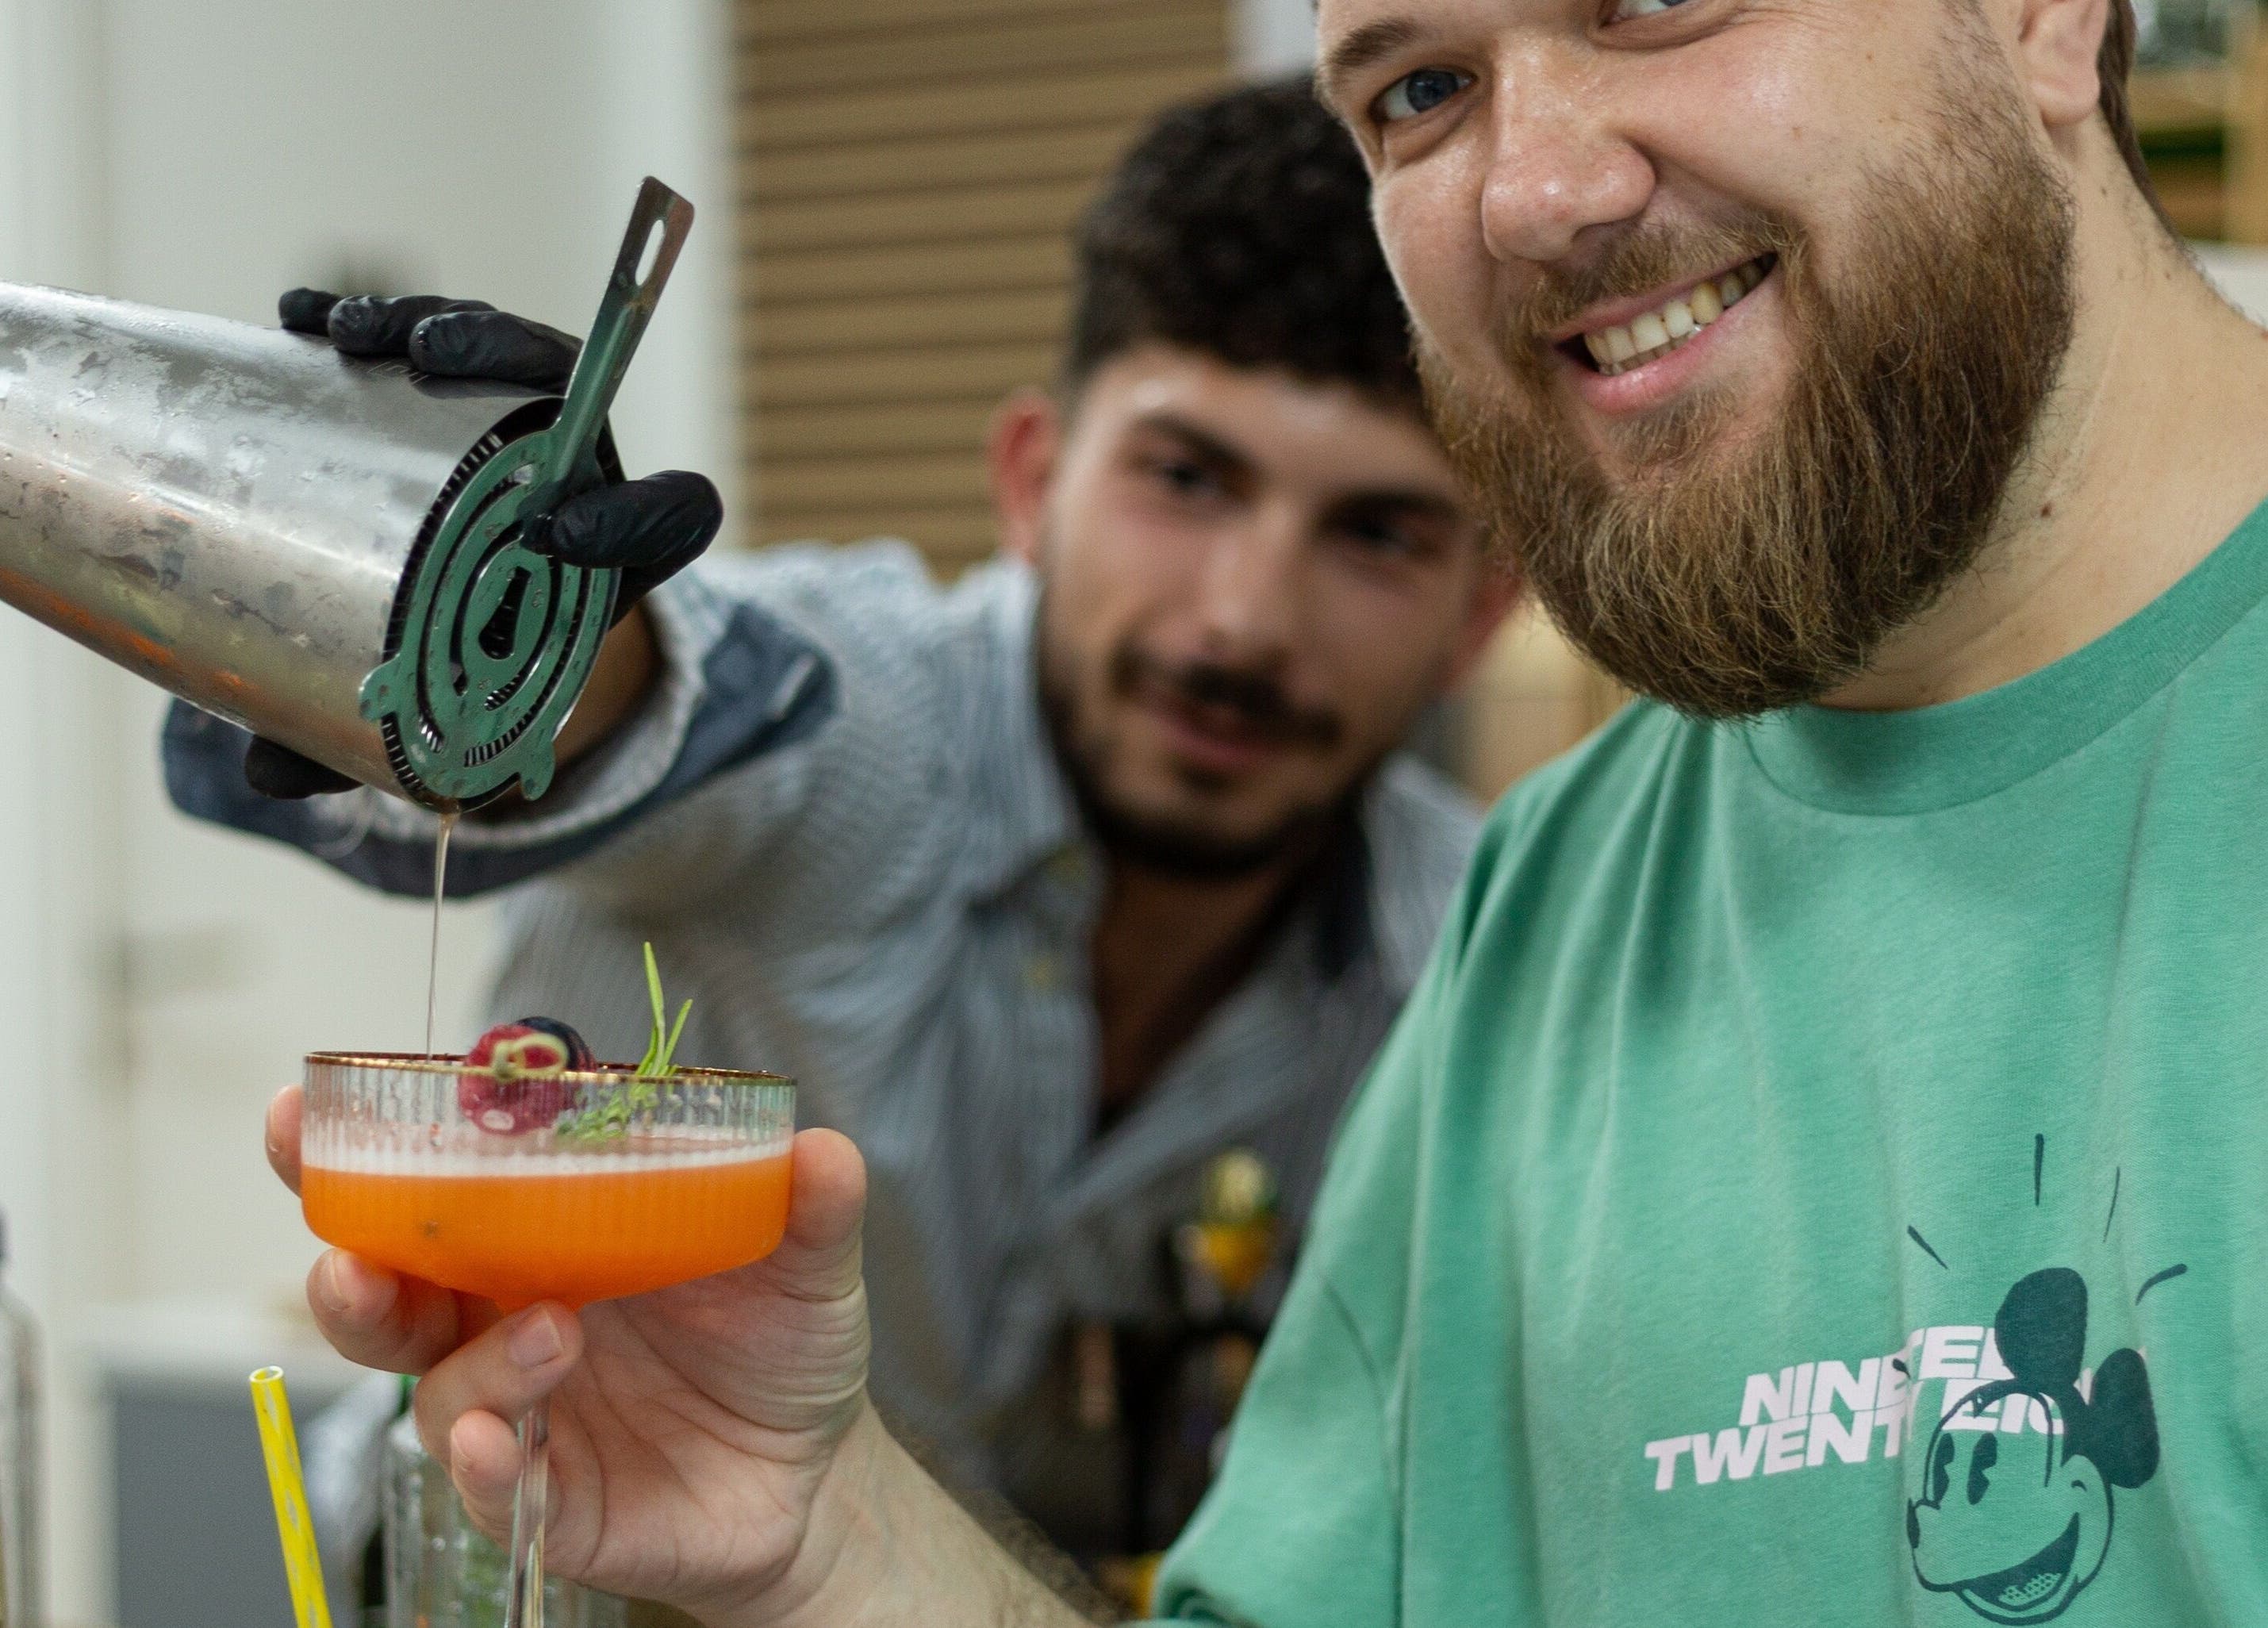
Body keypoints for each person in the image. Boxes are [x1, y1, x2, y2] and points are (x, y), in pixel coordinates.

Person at [270, 0, 2268, 1616]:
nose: (1537, 192)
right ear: (1030, 479)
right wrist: (446, 588)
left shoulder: (1430, 910)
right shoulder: (1554, 912)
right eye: (1418, 88)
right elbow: (670, 707)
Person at [175, 79, 1510, 1573]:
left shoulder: (1478, 968)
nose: (1244, 622)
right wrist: (499, 616)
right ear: (1031, 482)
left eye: (1377, 533)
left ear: (1486, 609)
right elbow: (668, 699)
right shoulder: (865, 726)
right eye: (1187, 479)